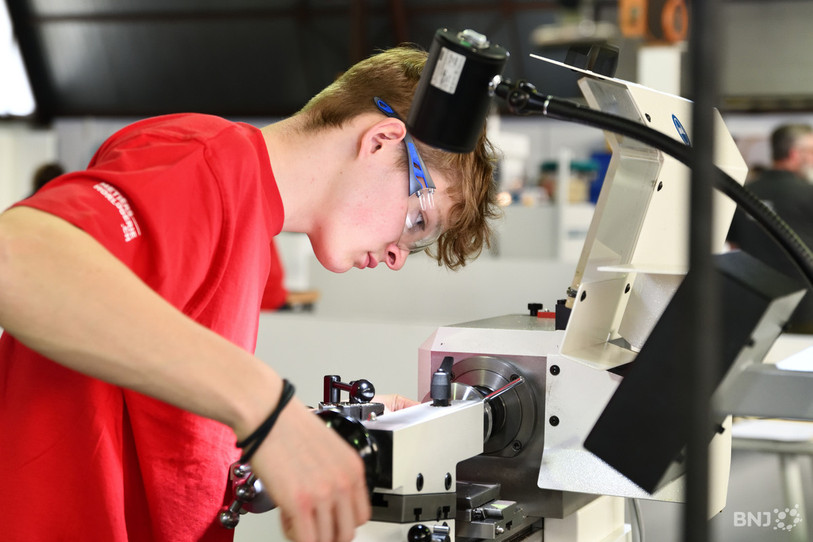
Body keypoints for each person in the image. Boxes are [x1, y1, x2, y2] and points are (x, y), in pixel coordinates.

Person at [0, 45, 499, 542]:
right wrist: (266, 410)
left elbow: (173, 433)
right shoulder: (206, 165)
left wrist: (315, 440)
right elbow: (16, 259)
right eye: (417, 222)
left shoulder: (250, 229)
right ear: (382, 142)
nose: (397, 256)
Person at [727, 123, 813, 333]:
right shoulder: (808, 194)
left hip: (755, 304)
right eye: (810, 151)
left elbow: (734, 244)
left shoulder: (744, 193)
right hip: (803, 309)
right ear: (795, 154)